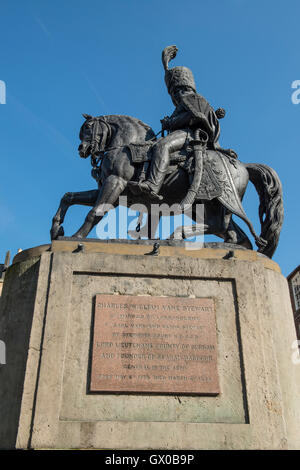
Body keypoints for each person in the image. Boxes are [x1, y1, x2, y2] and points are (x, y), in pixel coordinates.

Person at [131, 45, 236, 201]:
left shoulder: (191, 98)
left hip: (191, 134)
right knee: (154, 146)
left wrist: (170, 122)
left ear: (180, 87)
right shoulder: (185, 102)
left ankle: (152, 185)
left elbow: (196, 117)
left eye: (174, 91)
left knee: (162, 146)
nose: (174, 95)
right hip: (184, 133)